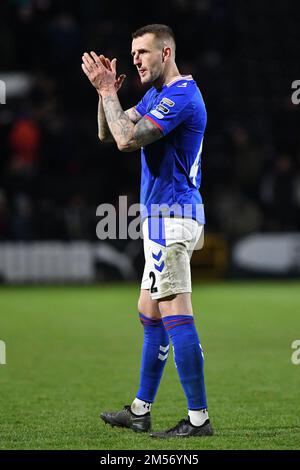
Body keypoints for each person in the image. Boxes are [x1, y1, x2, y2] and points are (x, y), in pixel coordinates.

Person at [81, 24, 213, 438]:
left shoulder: (181, 96)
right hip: (161, 220)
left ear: (167, 53)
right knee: (149, 312)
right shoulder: (155, 95)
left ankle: (198, 420)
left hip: (173, 219)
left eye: (143, 52)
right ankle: (140, 410)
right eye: (133, 53)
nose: (135, 59)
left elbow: (126, 141)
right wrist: (106, 94)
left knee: (177, 314)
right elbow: (108, 131)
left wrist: (108, 94)